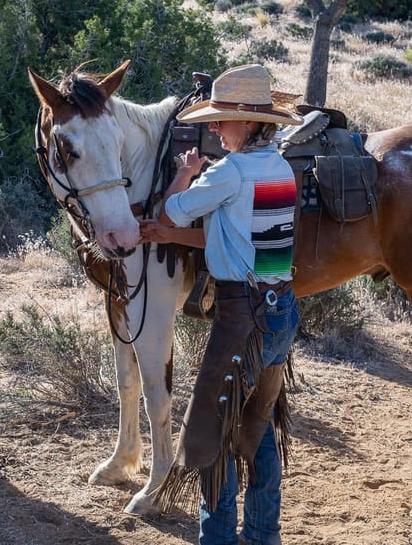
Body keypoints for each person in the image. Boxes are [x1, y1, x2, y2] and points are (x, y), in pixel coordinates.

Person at [143, 64, 302, 545]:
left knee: (209, 436)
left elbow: (169, 208)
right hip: (280, 313)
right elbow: (232, 235)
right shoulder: (279, 167)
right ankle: (263, 535)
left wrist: (185, 175)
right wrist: (174, 236)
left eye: (222, 119)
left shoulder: (228, 171)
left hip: (242, 319)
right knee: (256, 427)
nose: (214, 128)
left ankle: (217, 539)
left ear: (250, 122)